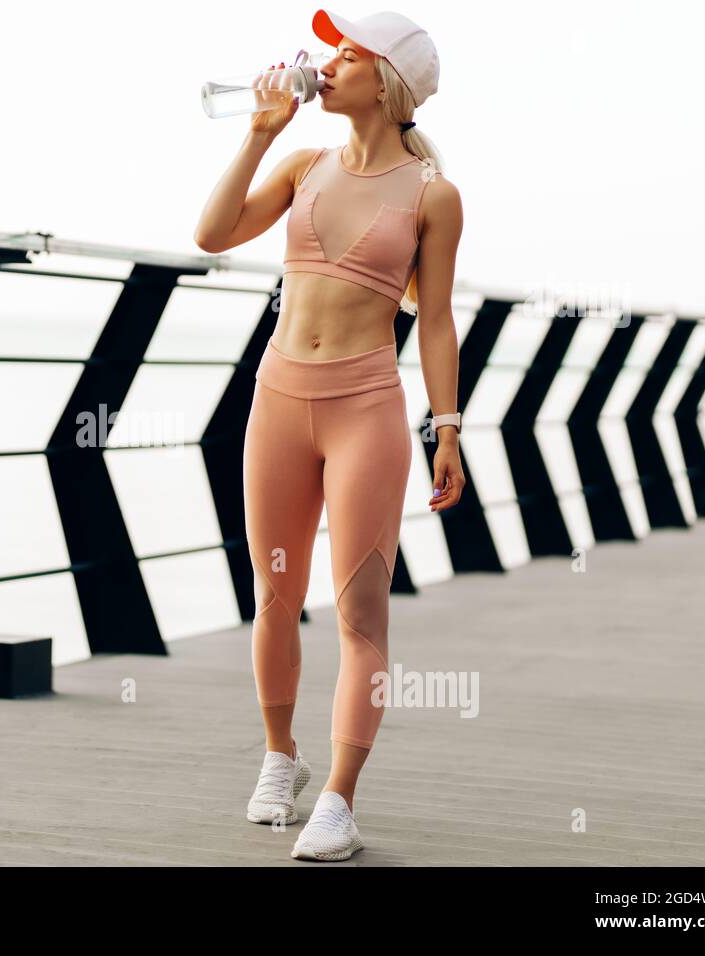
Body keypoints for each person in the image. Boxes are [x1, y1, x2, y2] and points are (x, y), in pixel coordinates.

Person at [193, 9, 466, 861]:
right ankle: (282, 759)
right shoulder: (302, 161)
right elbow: (210, 235)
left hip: (366, 411)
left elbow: (437, 323)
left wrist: (447, 427)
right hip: (277, 398)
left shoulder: (432, 195)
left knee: (360, 611)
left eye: (345, 54)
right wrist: (255, 134)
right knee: (274, 595)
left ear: (386, 81)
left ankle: (341, 799)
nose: (323, 64)